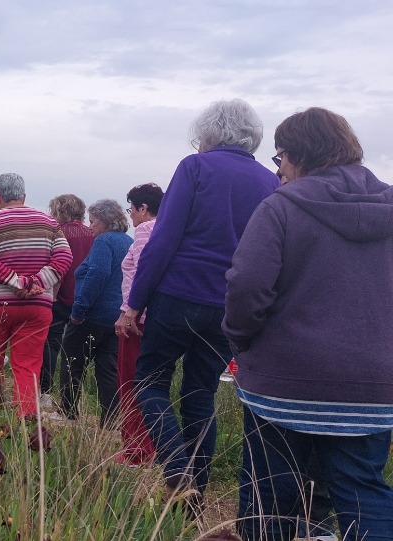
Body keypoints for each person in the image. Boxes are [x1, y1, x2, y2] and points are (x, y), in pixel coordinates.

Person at [226, 107, 393, 540]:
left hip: (284, 384)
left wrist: (241, 341)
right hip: (374, 387)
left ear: (298, 155)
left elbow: (246, 286)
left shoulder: (281, 207)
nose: (278, 171)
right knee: (363, 493)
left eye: (279, 159)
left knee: (271, 498)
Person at [122, 99, 279, 502]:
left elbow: (163, 240)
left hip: (178, 294)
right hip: (229, 306)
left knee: (150, 382)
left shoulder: (195, 167)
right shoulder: (270, 182)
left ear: (208, 132)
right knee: (200, 395)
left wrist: (134, 304)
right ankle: (194, 502)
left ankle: (176, 469)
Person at [0, 173, 72, 418]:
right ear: (24, 196)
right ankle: (25, 420)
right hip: (37, 305)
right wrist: (37, 283)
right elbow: (64, 257)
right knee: (27, 366)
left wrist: (16, 281)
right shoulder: (49, 222)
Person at [57, 199, 131, 428]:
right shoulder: (129, 242)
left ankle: (67, 414)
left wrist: (79, 310)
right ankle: (110, 422)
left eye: (93, 221)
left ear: (105, 221)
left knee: (71, 362)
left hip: (92, 315)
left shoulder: (104, 241)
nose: (90, 227)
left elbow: (97, 273)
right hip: (117, 317)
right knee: (107, 369)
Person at [112, 182, 163, 468]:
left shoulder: (146, 231)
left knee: (130, 382)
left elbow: (141, 273)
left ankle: (136, 449)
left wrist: (127, 311)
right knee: (155, 383)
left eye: (132, 209)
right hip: (159, 319)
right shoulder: (171, 230)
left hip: (138, 319)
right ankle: (155, 444)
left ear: (144, 208)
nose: (131, 217)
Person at [41, 195, 96, 409]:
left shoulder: (58, 233)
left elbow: (54, 264)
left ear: (58, 210)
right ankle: (72, 399)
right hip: (84, 298)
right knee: (78, 351)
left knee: (51, 344)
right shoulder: (92, 234)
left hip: (58, 295)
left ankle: (45, 391)